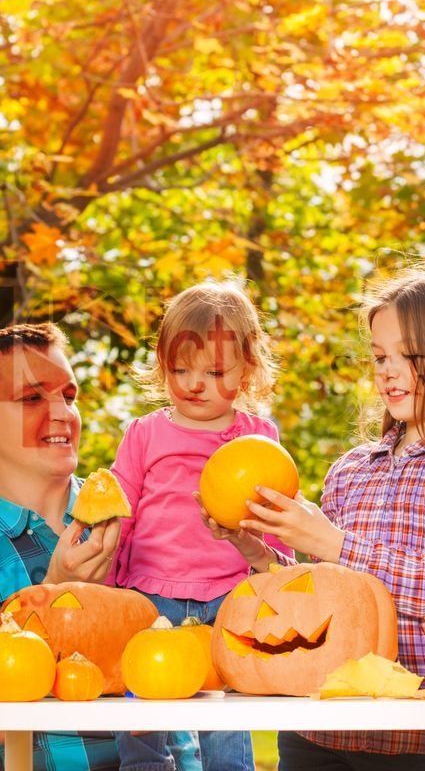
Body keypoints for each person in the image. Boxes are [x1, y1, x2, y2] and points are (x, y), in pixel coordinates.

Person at [212, 264, 425, 771]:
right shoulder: (349, 470)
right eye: (380, 356)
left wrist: (333, 542)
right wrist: (256, 549)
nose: (386, 370)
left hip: (411, 732)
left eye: (407, 355)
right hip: (315, 724)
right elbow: (317, 599)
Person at [0, 323, 196, 770]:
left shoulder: (138, 517)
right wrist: (57, 591)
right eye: (32, 398)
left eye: (68, 395)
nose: (63, 412)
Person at [107, 279, 288, 771]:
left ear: (247, 370)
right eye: (179, 369)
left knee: (224, 720)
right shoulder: (146, 434)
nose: (193, 383)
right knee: (144, 714)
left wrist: (273, 575)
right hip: (150, 591)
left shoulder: (256, 435)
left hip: (228, 597)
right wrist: (107, 585)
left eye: (213, 371)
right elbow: (121, 512)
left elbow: (272, 514)